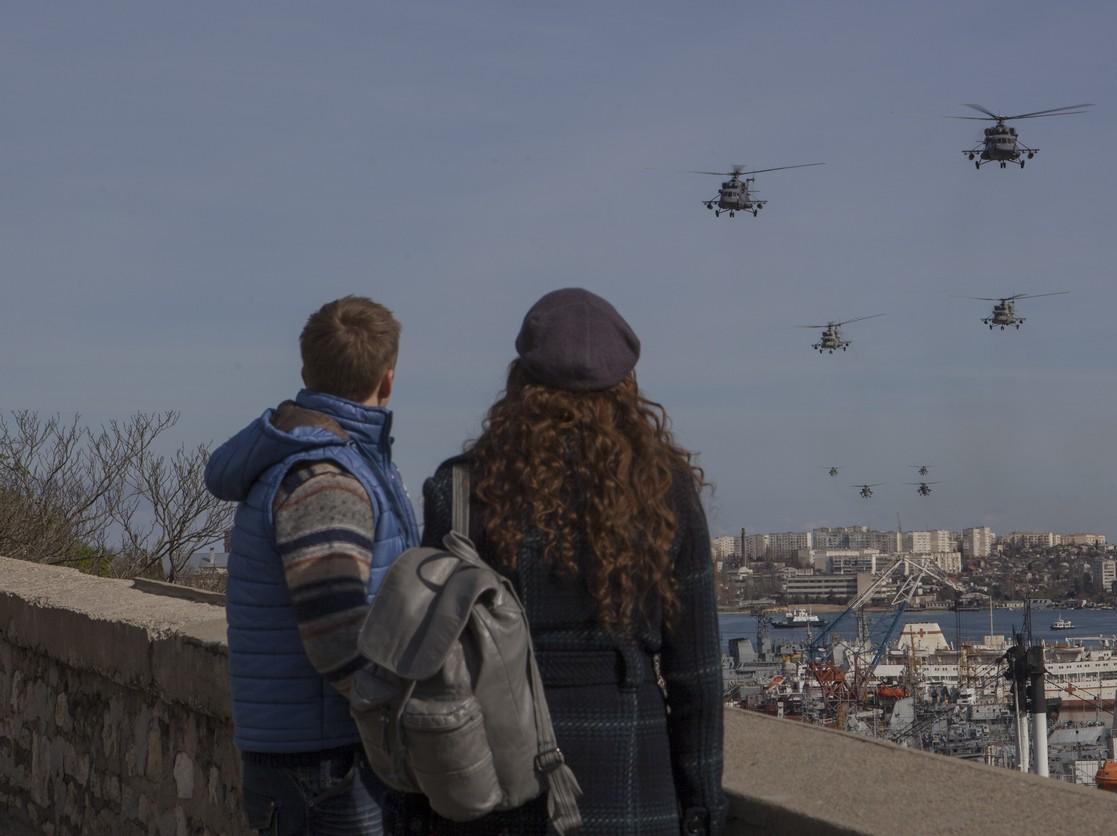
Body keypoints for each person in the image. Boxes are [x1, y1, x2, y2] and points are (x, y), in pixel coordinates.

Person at [385, 288, 727, 835]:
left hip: (497, 779)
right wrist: (703, 808)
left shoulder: (462, 489)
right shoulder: (665, 490)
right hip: (631, 780)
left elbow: (428, 660)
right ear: (626, 387)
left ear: (521, 382)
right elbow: (698, 678)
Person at [206, 296, 421, 835]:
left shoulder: (335, 460)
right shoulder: (326, 477)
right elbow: (334, 635)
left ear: (306, 372)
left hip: (313, 757)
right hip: (328, 766)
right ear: (388, 379)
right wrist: (404, 710)